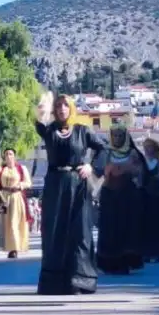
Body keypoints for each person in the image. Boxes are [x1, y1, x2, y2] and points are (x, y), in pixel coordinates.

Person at [34, 93, 105, 295]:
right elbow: (39, 120)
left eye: (65, 105)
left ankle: (80, 281)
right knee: (55, 232)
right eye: (58, 106)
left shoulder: (82, 131)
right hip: (56, 186)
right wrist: (44, 103)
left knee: (79, 232)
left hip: (78, 186)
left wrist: (91, 166)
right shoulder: (49, 131)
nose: (62, 109)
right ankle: (55, 283)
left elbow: (103, 148)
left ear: (71, 108)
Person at [96, 123, 144, 275]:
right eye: (114, 135)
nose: (117, 138)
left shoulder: (132, 153)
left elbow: (139, 172)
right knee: (110, 229)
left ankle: (125, 261)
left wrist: (127, 169)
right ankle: (109, 262)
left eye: (120, 135)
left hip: (127, 195)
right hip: (109, 194)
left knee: (126, 228)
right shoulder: (106, 153)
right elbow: (99, 172)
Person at [0, 148, 31, 258]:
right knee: (6, 223)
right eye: (6, 154)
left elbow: (28, 183)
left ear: (14, 156)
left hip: (16, 197)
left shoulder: (21, 168)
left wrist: (20, 185)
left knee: (13, 223)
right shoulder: (2, 170)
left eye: (10, 154)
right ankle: (7, 247)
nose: (8, 156)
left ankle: (15, 248)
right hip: (4, 197)